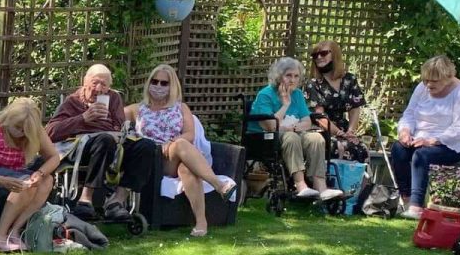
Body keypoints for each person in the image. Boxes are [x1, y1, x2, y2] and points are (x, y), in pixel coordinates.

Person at [132, 64, 241, 238]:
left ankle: (201, 222)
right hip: (154, 158)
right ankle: (219, 185)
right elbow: (112, 117)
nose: (158, 86)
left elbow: (190, 134)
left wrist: (172, 142)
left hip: (176, 154)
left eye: (164, 83)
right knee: (181, 145)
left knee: (187, 168)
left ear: (172, 86)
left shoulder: (181, 108)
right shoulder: (138, 109)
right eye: (155, 81)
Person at [47, 63, 162, 222]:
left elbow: (120, 125)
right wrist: (83, 118)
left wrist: (116, 132)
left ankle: (116, 201)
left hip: (112, 143)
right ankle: (85, 199)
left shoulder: (113, 98)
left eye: (104, 85)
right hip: (83, 146)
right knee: (104, 140)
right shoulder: (73, 101)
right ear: (85, 82)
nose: (99, 89)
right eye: (95, 83)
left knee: (146, 146)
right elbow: (51, 132)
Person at [0, 97, 61, 253]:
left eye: (25, 131)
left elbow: (54, 157)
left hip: (11, 171)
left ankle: (14, 231)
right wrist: (1, 180)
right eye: (17, 127)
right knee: (23, 183)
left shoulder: (33, 129)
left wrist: (40, 173)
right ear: (9, 118)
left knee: (46, 181)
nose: (20, 132)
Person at [389, 54, 460, 220]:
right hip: (421, 139)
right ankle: (405, 198)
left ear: (448, 78)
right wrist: (405, 131)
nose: (429, 85)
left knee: (421, 155)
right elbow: (409, 114)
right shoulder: (422, 88)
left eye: (434, 81)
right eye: (426, 80)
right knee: (398, 149)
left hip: (453, 144)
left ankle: (416, 207)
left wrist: (432, 140)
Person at [251, 57, 343, 202]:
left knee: (316, 138)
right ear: (278, 76)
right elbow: (271, 126)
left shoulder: (298, 94)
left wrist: (293, 127)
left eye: (296, 76)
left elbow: (307, 122)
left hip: (292, 133)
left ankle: (320, 186)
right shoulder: (265, 95)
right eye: (288, 75)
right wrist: (285, 104)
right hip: (265, 139)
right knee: (291, 137)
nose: (292, 80)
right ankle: (300, 185)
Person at [303, 41, 369, 162]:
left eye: (323, 53)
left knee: (361, 148)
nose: (319, 57)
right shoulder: (313, 84)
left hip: (343, 127)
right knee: (338, 147)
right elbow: (319, 116)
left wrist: (350, 131)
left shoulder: (349, 79)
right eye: (315, 55)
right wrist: (339, 133)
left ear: (335, 55)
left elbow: (354, 108)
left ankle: (356, 175)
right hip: (322, 129)